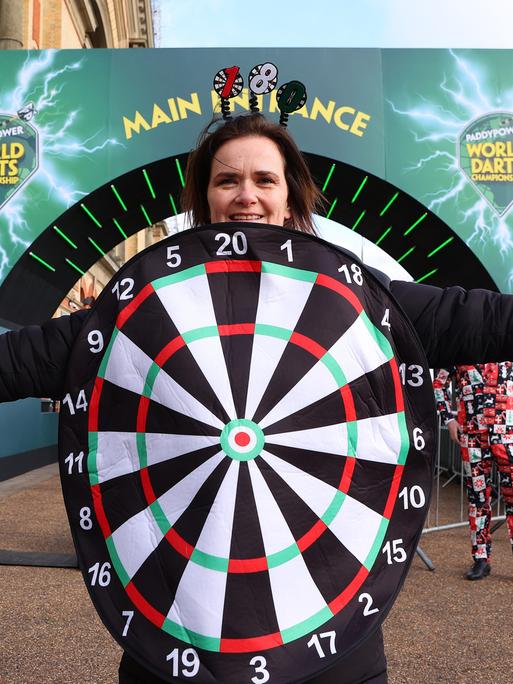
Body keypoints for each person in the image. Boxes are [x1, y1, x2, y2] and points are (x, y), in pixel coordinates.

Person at [3, 111, 513, 683]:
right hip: (180, 627)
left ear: (292, 198)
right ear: (205, 200)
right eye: (227, 180)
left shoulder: (353, 296)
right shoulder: (143, 303)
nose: (247, 195)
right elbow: (25, 360)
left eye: (265, 180)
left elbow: (472, 318)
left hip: (329, 630)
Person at [433, 364, 513, 579]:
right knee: (477, 500)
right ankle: (480, 559)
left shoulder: (507, 339)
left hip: (507, 435)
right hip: (472, 437)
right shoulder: (461, 344)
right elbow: (438, 385)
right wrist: (449, 420)